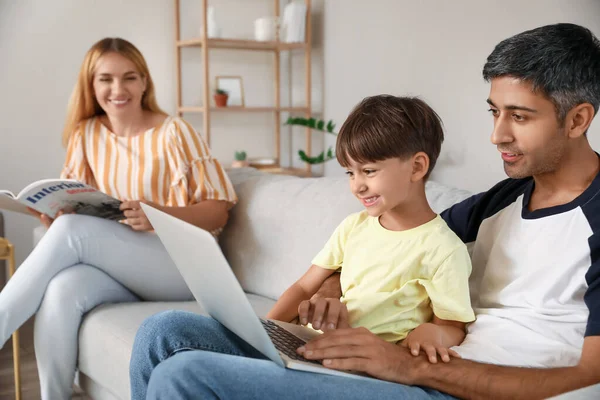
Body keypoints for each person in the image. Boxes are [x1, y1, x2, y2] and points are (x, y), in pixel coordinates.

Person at [129, 22, 600, 399]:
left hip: (446, 386)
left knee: (187, 374)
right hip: (402, 363)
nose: (497, 135)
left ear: (578, 118)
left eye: (518, 116)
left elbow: (585, 378)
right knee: (163, 331)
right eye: (494, 112)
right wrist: (335, 292)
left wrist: (407, 366)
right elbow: (396, 239)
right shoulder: (504, 199)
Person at [0, 37, 236, 400]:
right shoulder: (86, 134)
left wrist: (160, 216)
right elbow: (75, 214)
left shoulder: (176, 133)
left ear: (144, 82)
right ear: (91, 86)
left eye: (129, 77)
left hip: (181, 265)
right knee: (63, 289)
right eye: (105, 79)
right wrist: (55, 213)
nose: (118, 89)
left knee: (71, 231)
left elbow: (219, 208)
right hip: (125, 266)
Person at [265, 95, 475, 364]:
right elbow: (304, 288)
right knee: (194, 329)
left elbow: (452, 326)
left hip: (360, 366)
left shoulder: (444, 250)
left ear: (417, 166)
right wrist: (268, 330)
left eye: (369, 171)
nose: (357, 186)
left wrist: (432, 332)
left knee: (200, 367)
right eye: (350, 173)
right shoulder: (353, 227)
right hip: (313, 345)